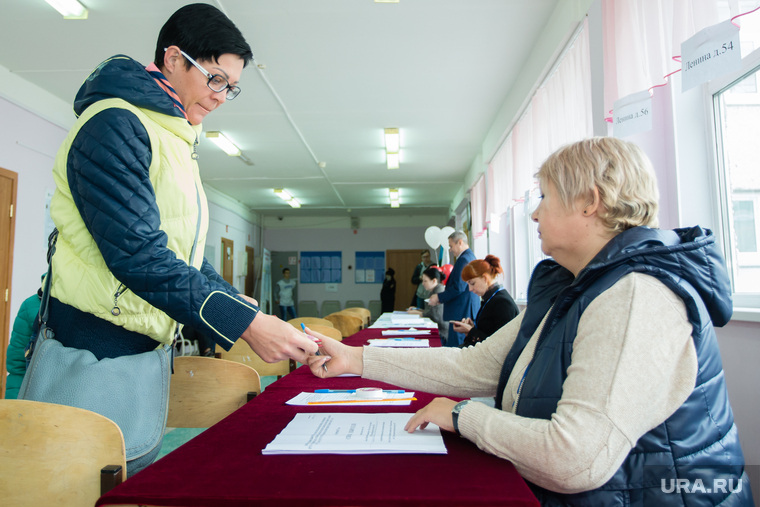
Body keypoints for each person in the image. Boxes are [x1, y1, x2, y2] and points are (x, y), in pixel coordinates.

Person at [307, 137, 753, 505]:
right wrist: (356, 359)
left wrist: (464, 417)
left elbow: (576, 458)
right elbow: (476, 366)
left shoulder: (634, 295)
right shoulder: (576, 286)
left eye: (544, 197)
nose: (535, 213)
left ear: (589, 202)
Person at [37, 3, 317, 473]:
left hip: (144, 347)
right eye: (215, 79)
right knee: (76, 480)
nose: (222, 96)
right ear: (172, 59)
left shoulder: (173, 136)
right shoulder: (116, 124)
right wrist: (244, 324)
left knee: (129, 474)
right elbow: (140, 257)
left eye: (232, 86)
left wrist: (248, 311)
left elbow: (178, 256)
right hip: (95, 346)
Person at [452, 255, 518, 347]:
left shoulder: (503, 303)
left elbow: (500, 345)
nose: (470, 289)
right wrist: (472, 328)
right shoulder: (491, 299)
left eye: (472, 283)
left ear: (485, 278)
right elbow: (488, 331)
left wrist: (471, 331)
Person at [428, 231, 479, 346]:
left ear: (460, 243)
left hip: (462, 310)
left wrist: (439, 297)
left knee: (456, 347)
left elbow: (458, 287)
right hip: (463, 308)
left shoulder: (464, 259)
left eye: (451, 246)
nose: (450, 250)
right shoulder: (467, 257)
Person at [5, 287, 42, 399]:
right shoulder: (30, 306)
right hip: (36, 407)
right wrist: (13, 412)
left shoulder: (93, 305)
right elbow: (17, 368)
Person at [405, 266, 448, 345]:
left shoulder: (439, 291)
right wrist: (418, 309)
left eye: (425, 281)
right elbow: (430, 310)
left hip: (441, 333)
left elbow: (435, 315)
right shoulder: (433, 291)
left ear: (434, 281)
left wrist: (419, 313)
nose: (423, 284)